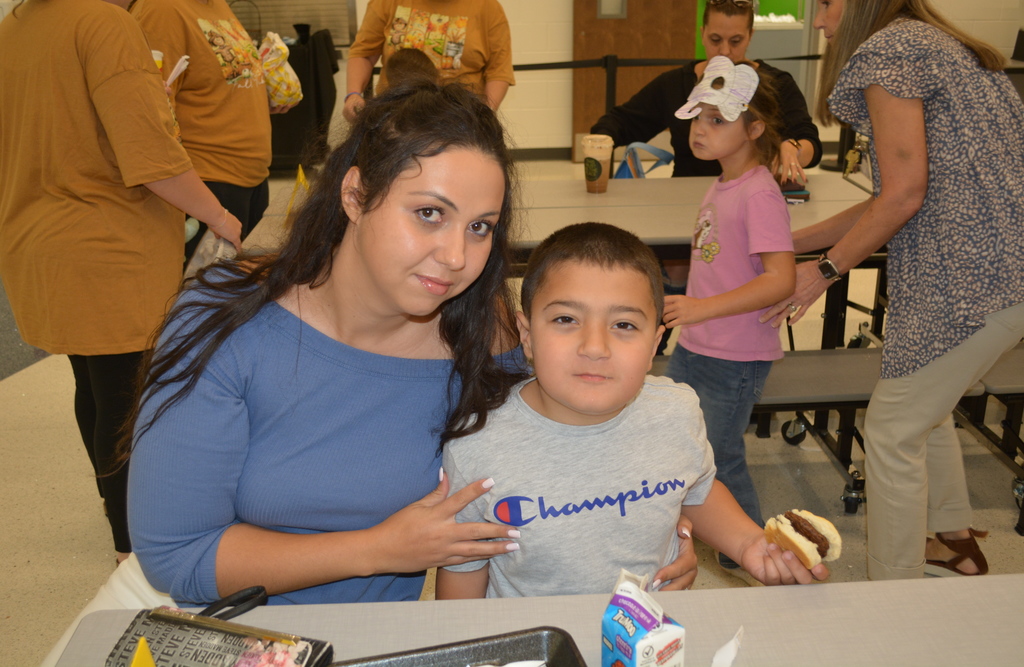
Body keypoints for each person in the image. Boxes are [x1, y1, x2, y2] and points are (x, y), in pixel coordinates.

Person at [126, 82, 700, 605]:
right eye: (429, 213)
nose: (456, 257)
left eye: (480, 227)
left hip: (389, 642)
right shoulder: (226, 321)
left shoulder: (486, 338)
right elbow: (177, 555)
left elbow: (563, 458)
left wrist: (652, 541)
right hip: (243, 636)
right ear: (355, 195)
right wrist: (377, 549)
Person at [763, 0, 1024, 580]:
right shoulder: (945, 45)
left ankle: (892, 591)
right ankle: (956, 542)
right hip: (999, 272)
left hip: (972, 280)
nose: (820, 21)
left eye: (827, 2)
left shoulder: (889, 53)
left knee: (891, 429)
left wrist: (823, 273)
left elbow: (903, 194)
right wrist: (792, 245)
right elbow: (896, 194)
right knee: (920, 408)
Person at [435, 222, 824, 599]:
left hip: (650, 638)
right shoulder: (477, 446)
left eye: (623, 324)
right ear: (527, 334)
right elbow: (463, 575)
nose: (595, 346)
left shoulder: (676, 411)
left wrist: (749, 543)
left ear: (655, 342)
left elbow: (696, 492)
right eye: (566, 319)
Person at [0, 0, 242, 564]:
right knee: (130, 402)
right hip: (107, 248)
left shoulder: (18, 25)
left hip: (42, 241)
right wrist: (220, 215)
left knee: (94, 387)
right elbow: (151, 157)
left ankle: (121, 524)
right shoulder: (106, 25)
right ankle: (137, 549)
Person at [662, 56, 795, 574]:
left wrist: (700, 308)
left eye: (718, 120)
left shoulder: (759, 191)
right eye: (699, 118)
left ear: (754, 128)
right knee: (682, 444)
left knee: (717, 459)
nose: (701, 130)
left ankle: (761, 556)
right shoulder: (722, 184)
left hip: (734, 356)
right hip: (698, 346)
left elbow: (779, 279)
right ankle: (697, 538)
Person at [590, 0, 821, 184]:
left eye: (736, 41)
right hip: (688, 196)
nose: (725, 52)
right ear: (702, 35)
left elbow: (808, 141)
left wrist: (793, 150)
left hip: (749, 194)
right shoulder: (674, 84)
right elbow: (624, 122)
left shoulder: (775, 85)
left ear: (750, 35)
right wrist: (599, 143)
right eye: (715, 40)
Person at [131, 0, 292, 262]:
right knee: (206, 299)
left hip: (250, 176)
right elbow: (154, 107)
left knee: (237, 294)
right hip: (208, 180)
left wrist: (258, 100)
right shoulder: (162, 6)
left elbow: (217, 81)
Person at [343, 0, 514, 122]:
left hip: (460, 119)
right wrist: (353, 94)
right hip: (395, 115)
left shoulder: (486, 4)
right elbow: (363, 52)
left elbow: (499, 71)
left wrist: (486, 114)